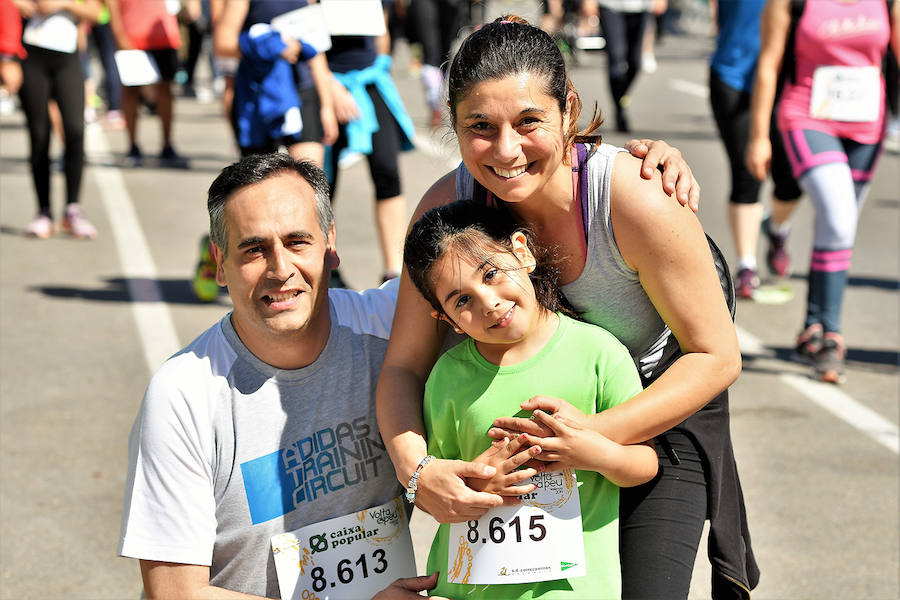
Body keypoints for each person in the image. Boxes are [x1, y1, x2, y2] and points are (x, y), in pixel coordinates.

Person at [376, 16, 757, 600]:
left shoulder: (633, 197)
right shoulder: (446, 209)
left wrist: (591, 442)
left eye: (529, 121)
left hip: (652, 426)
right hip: (533, 452)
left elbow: (717, 355)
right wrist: (418, 471)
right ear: (452, 126)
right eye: (479, 127)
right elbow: (404, 365)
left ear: (568, 111)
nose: (506, 150)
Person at [118, 153, 439, 599]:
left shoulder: (391, 328)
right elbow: (174, 593)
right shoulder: (184, 393)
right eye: (253, 248)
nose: (280, 269)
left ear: (330, 244)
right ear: (220, 263)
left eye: (297, 241)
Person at [404, 200, 658, 598]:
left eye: (491, 274)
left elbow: (644, 463)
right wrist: (480, 479)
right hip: (469, 588)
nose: (488, 301)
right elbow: (441, 487)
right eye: (462, 301)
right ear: (446, 320)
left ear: (521, 251)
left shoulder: (597, 352)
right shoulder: (448, 378)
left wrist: (592, 452)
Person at [746, 0, 899, 383]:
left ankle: (813, 327)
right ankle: (830, 334)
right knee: (838, 216)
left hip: (867, 126)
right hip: (807, 117)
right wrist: (759, 136)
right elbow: (769, 63)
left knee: (838, 229)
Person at [708, 0, 801, 298]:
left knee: (791, 180)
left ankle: (776, 227)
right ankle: (746, 266)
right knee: (747, 173)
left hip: (788, 85)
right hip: (734, 76)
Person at [325, 8, 415, 285]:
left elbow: (382, 27)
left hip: (369, 78)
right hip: (324, 82)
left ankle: (393, 273)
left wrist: (380, 63)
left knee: (387, 171)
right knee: (322, 184)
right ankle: (327, 268)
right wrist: (329, 87)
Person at [17, 0, 102, 239]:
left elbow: (96, 12)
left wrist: (62, 3)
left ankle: (73, 209)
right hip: (31, 54)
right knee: (39, 134)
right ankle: (43, 211)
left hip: (68, 57)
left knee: (75, 130)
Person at [106, 0, 188, 167]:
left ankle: (167, 146)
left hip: (164, 36)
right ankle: (133, 147)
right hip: (132, 35)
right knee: (131, 91)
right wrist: (118, 32)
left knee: (165, 91)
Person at [595, 0, 653, 132]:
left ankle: (620, 100)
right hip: (610, 6)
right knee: (616, 57)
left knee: (635, 62)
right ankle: (619, 110)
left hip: (641, 7)